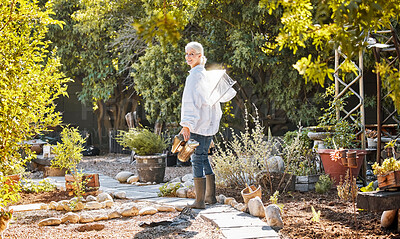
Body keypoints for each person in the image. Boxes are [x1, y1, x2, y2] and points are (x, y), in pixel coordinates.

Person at [179, 42, 236, 209]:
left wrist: (186, 125)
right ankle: (210, 197)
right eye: (186, 54)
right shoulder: (205, 75)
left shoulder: (194, 77)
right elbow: (212, 103)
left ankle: (199, 201)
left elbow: (190, 103)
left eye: (192, 54)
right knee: (203, 157)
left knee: (197, 159)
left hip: (198, 125)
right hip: (208, 125)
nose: (188, 57)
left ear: (199, 56)